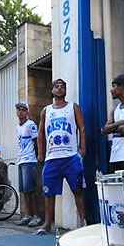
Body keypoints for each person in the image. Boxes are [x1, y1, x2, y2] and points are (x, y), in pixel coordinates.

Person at [36, 78, 86, 235]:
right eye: (56, 86)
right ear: (52, 90)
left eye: (63, 86)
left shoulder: (73, 107)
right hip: (52, 158)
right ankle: (47, 224)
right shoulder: (46, 111)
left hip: (71, 157)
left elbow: (82, 128)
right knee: (48, 193)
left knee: (78, 190)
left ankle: (83, 223)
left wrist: (82, 148)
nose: (59, 88)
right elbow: (40, 133)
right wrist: (41, 153)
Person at [15, 102, 41, 227]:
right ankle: (27, 215)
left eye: (23, 110)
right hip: (21, 160)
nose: (20, 112)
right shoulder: (18, 127)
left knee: (31, 190)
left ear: (27, 112)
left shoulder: (30, 125)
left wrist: (37, 157)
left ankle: (36, 216)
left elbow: (36, 141)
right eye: (18, 110)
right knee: (24, 191)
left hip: (29, 160)